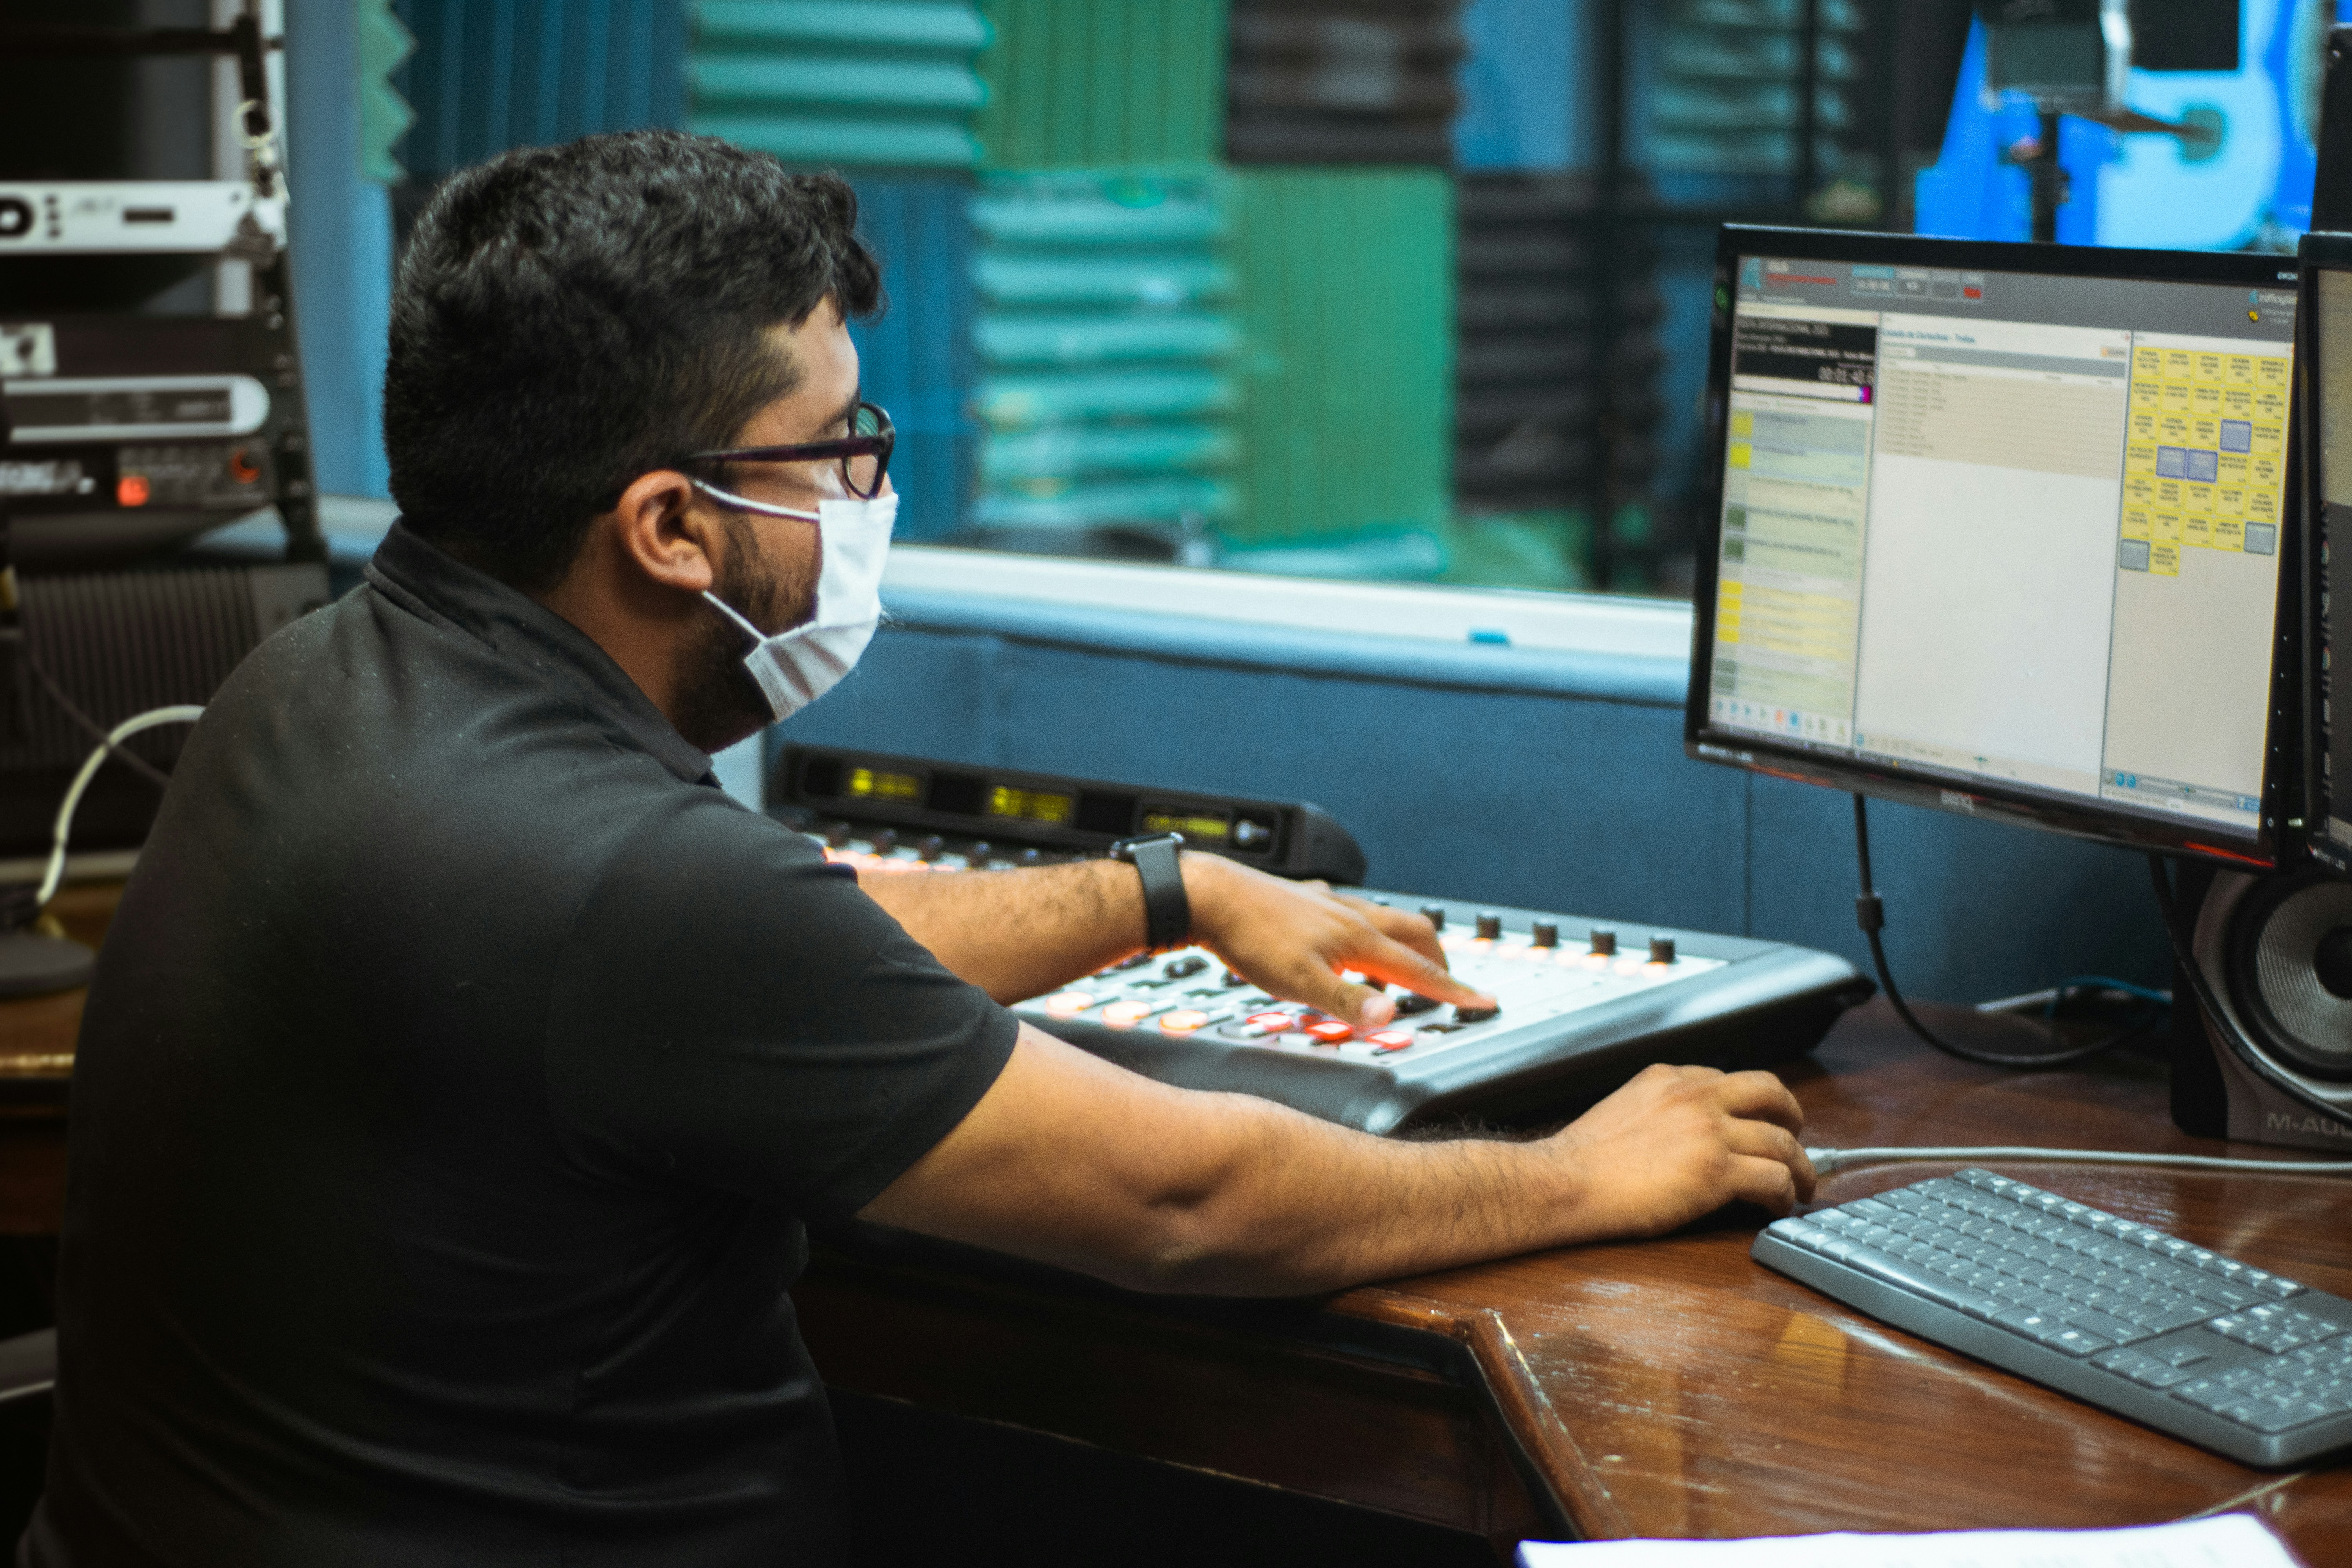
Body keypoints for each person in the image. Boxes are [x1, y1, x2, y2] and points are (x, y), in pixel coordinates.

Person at [26, 131, 1812, 1566]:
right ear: (669, 525)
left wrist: (1162, 892)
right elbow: (1185, 1202)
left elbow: (793, 943)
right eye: (839, 448)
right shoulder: (624, 885)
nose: (874, 490)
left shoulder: (317, 687)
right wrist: (1585, 1174)